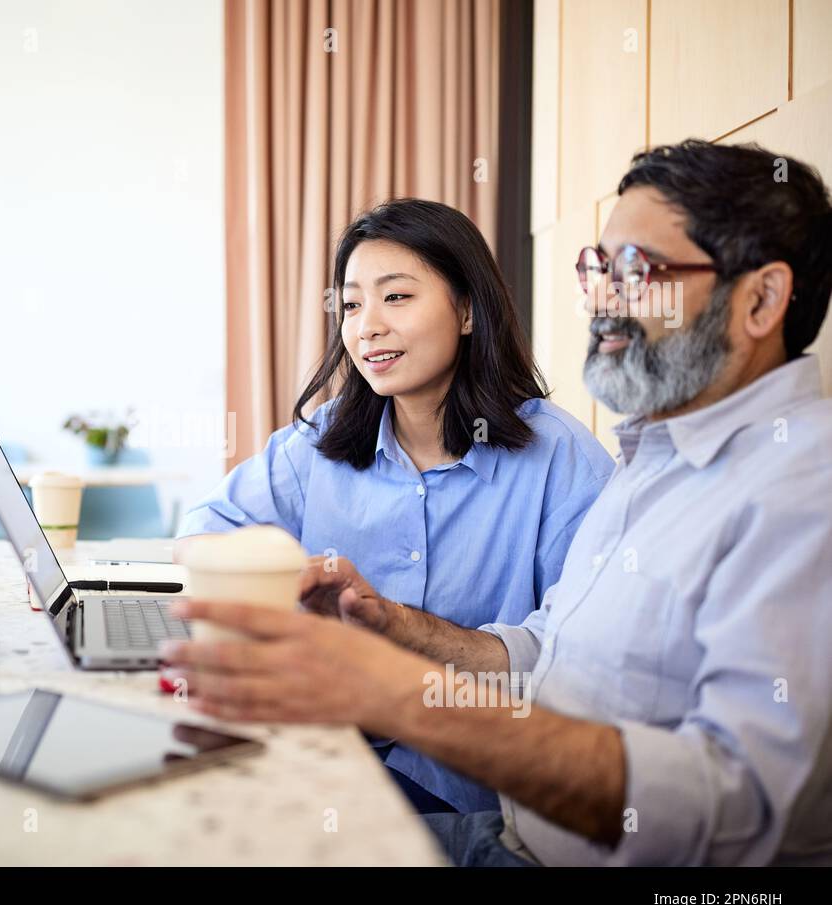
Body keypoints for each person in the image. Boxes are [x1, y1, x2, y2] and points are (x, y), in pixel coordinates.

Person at [162, 140, 832, 865]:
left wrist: (396, 691)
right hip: (513, 831)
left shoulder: (802, 487)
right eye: (598, 269)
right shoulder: (654, 458)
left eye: (635, 272)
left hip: (526, 836)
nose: (600, 299)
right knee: (194, 825)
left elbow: (739, 808)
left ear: (760, 298)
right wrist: (390, 625)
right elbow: (549, 652)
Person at [176, 198, 613, 812]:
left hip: (467, 784)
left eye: (397, 297)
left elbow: (569, 661)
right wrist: (274, 579)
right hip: (323, 742)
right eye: (351, 304)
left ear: (466, 309)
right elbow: (203, 531)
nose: (366, 327)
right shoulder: (318, 443)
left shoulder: (562, 460)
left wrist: (397, 626)